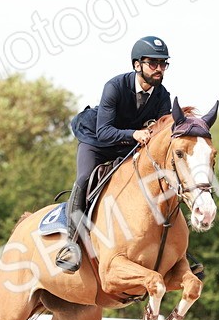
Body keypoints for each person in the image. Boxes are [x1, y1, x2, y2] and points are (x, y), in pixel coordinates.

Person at [56, 36, 172, 273]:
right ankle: (71, 244)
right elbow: (105, 131)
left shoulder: (163, 95)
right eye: (153, 63)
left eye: (163, 64)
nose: (159, 69)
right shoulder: (115, 86)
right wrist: (135, 134)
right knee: (85, 178)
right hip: (97, 140)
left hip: (128, 144)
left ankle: (174, 245)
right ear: (137, 65)